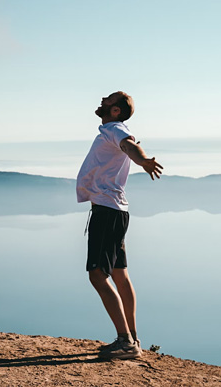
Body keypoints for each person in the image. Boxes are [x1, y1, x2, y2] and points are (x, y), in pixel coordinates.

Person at [76, 91, 163, 359]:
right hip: (114, 210)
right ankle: (132, 338)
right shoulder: (113, 130)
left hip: (107, 211)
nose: (102, 100)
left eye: (108, 100)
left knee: (97, 275)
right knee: (118, 273)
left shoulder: (115, 129)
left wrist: (143, 160)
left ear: (115, 111)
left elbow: (130, 146)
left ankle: (125, 342)